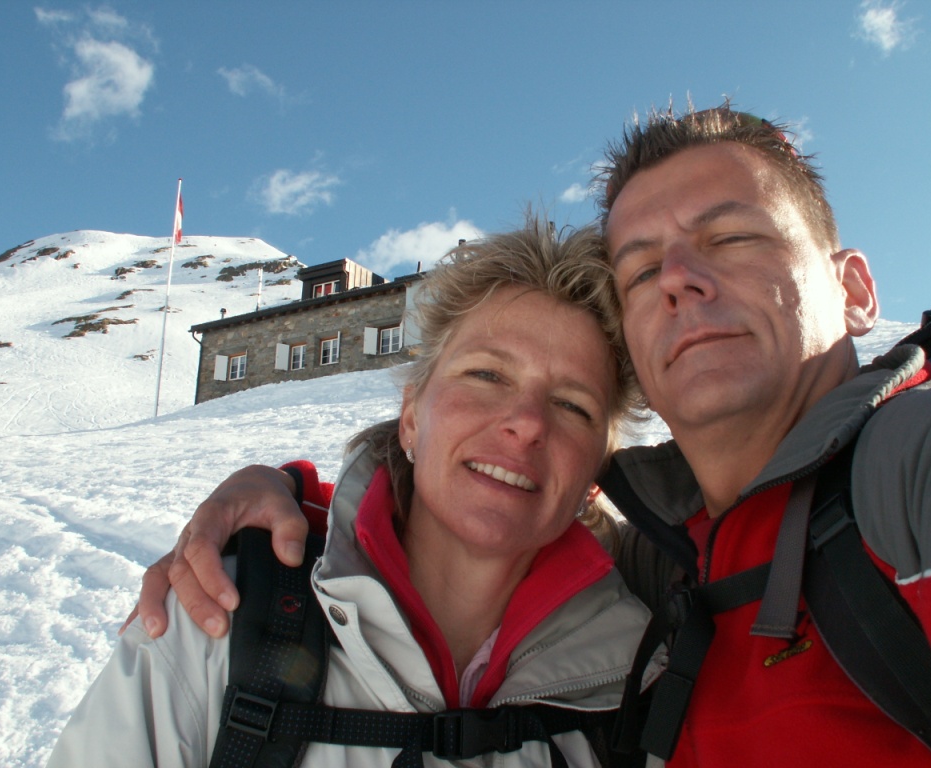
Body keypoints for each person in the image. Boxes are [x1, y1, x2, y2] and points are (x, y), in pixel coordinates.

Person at [133, 105, 931, 766]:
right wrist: (285, 500)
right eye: (641, 269)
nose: (680, 279)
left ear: (855, 291)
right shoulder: (667, 561)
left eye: (732, 236)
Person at [48, 220, 660, 767]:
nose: (526, 422)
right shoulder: (216, 627)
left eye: (572, 404)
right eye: (486, 374)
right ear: (411, 419)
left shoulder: (639, 688)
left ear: (594, 477)